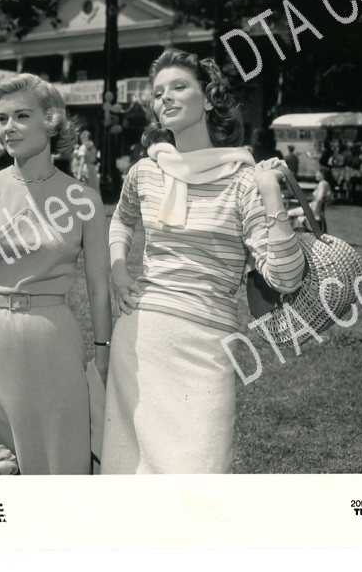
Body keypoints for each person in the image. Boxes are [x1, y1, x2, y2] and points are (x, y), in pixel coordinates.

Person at [101, 49, 305, 474]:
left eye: (179, 87)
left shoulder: (245, 181)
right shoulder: (145, 172)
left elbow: (286, 277)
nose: (166, 97)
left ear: (209, 99)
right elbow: (121, 220)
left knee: (201, 478)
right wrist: (118, 269)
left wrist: (271, 194)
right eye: (159, 92)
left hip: (207, 347)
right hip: (141, 337)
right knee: (132, 478)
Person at [0, 73, 112, 475]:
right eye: (2, 119)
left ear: (51, 120)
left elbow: (99, 287)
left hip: (54, 341)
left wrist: (103, 356)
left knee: (62, 464)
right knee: (0, 468)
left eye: (22, 116)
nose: (9, 127)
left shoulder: (84, 199)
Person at [289, 168, 332, 234]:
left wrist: (316, 213)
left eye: (318, 173)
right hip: (313, 208)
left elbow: (320, 198)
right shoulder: (325, 184)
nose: (316, 175)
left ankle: (288, 233)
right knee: (299, 219)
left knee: (288, 214)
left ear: (323, 174)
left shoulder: (323, 183)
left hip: (312, 208)